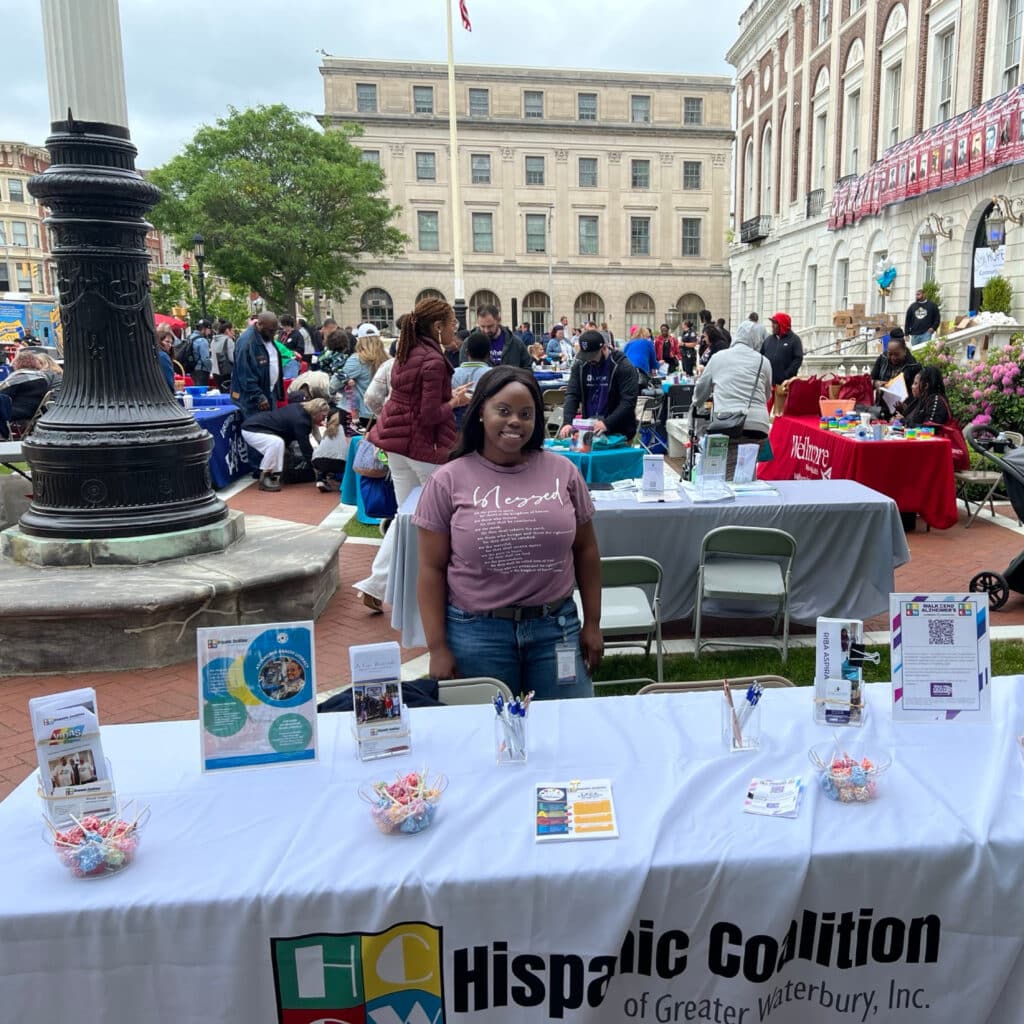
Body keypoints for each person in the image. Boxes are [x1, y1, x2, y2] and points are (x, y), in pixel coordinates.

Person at [414, 366, 603, 698]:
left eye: (526, 414)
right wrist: (437, 646)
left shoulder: (564, 472)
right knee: (487, 740)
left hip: (556, 629)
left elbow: (586, 550)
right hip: (477, 635)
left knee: (566, 733)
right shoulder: (447, 480)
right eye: (503, 411)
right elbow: (431, 569)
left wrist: (592, 623)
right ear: (481, 414)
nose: (515, 420)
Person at [354, 298, 472, 612]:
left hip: (398, 446)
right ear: (437, 326)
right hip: (424, 448)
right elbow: (431, 413)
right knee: (438, 519)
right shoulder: (433, 361)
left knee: (407, 517)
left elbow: (415, 402)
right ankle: (442, 590)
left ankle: (377, 584)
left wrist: (449, 397)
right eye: (452, 322)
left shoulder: (407, 353)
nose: (455, 327)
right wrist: (455, 403)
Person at [693, 327, 772, 475]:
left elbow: (702, 388)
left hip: (727, 422)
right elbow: (766, 396)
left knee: (727, 470)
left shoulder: (718, 357)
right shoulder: (764, 361)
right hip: (757, 424)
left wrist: (697, 402)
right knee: (748, 469)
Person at [559, 329, 639, 439]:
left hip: (619, 430)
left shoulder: (623, 366)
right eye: (586, 356)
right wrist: (567, 422)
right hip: (590, 428)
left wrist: (607, 423)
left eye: (593, 356)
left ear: (604, 348)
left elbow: (628, 401)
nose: (589, 360)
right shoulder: (580, 365)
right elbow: (572, 394)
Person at [241, 397, 329, 492]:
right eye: (323, 416)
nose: (324, 419)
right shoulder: (301, 421)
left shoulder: (302, 409)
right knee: (276, 443)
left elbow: (315, 434)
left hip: (255, 425)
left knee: (280, 445)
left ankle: (275, 475)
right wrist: (316, 468)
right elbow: (305, 448)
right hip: (252, 429)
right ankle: (265, 476)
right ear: (316, 412)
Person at [231, 312, 282, 418]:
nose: (273, 334)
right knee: (258, 431)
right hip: (252, 399)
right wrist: (259, 396)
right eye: (271, 331)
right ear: (260, 324)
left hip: (269, 392)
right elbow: (245, 375)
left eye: (275, 331)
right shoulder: (246, 342)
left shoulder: (267, 337)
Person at [331, 333, 389, 425]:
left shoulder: (357, 360)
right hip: (380, 414)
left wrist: (332, 393)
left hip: (357, 414)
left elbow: (333, 385)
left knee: (352, 439)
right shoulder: (387, 359)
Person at [462, 304, 532, 368]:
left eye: (490, 326)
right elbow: (464, 371)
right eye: (482, 326)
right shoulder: (468, 344)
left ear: (498, 320)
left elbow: (527, 368)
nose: (486, 330)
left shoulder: (516, 343)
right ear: (478, 322)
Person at [0, 350, 50, 438]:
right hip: (33, 411)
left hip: (17, 411)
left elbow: (4, 392)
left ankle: (4, 435)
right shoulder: (42, 376)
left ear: (18, 362)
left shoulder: (19, 377)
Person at [870, 328, 921, 406]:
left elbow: (917, 393)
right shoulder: (883, 358)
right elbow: (870, 380)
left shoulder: (914, 366)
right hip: (881, 407)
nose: (893, 357)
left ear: (904, 351)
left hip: (903, 410)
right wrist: (877, 383)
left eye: (896, 354)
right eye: (890, 354)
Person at [451, 332, 492, 427]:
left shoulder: (453, 373)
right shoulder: (493, 374)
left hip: (458, 424)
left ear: (466, 352)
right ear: (489, 354)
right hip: (484, 422)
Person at [312, 406, 351, 492]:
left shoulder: (328, 430)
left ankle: (321, 478)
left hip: (318, 460)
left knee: (326, 458)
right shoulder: (348, 429)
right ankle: (345, 484)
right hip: (341, 462)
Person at [762, 312, 804, 385]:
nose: (772, 326)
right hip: (768, 382)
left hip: (785, 384)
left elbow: (798, 359)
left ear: (782, 324)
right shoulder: (769, 339)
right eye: (772, 323)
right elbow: (761, 356)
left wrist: (786, 375)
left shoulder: (794, 340)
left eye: (775, 323)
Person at [210, 320, 236, 391]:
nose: (234, 332)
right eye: (232, 330)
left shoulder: (213, 340)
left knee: (221, 393)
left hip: (215, 373)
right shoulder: (228, 341)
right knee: (230, 394)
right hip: (226, 373)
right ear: (227, 330)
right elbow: (232, 358)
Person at [189, 319, 213, 387]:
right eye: (209, 329)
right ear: (204, 329)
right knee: (202, 392)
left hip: (192, 370)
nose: (209, 332)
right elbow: (205, 359)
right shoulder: (202, 340)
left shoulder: (190, 337)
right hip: (202, 371)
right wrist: (211, 369)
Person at [156, 327, 176, 394]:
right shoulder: (163, 356)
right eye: (167, 341)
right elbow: (169, 378)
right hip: (164, 393)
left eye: (171, 343)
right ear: (159, 341)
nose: (169, 345)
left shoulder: (157, 353)